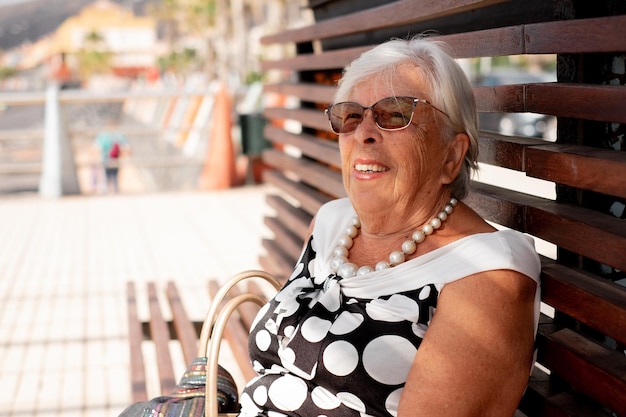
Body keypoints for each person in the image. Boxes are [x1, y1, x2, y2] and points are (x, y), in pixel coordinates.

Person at [239, 36, 541, 417]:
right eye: (350, 115)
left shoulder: (487, 274)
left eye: (396, 114)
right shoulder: (331, 223)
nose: (363, 132)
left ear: (451, 156)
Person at [93, 123, 128, 193]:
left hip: (105, 160)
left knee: (106, 178)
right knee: (115, 177)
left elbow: (96, 148)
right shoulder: (119, 135)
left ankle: (105, 193)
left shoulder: (102, 135)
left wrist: (95, 159)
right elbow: (126, 148)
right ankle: (116, 192)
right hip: (115, 160)